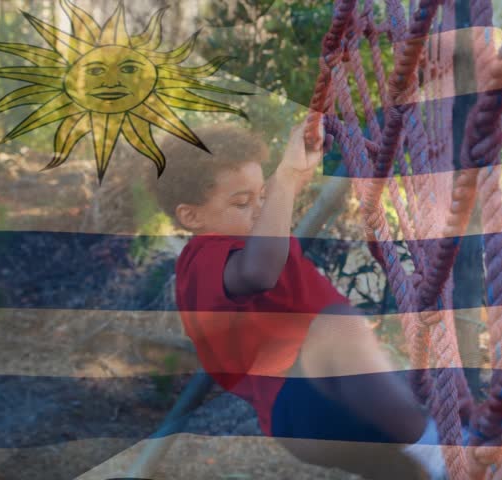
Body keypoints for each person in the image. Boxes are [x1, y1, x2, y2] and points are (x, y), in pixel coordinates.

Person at [151, 121, 453, 479]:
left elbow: (270, 238)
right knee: (335, 325)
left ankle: (430, 453)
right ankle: (433, 443)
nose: (260, 209)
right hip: (308, 405)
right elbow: (258, 272)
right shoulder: (203, 258)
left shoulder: (246, 243)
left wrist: (296, 172)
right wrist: (285, 178)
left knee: (411, 473)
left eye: (262, 196)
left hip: (331, 408)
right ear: (191, 216)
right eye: (242, 203)